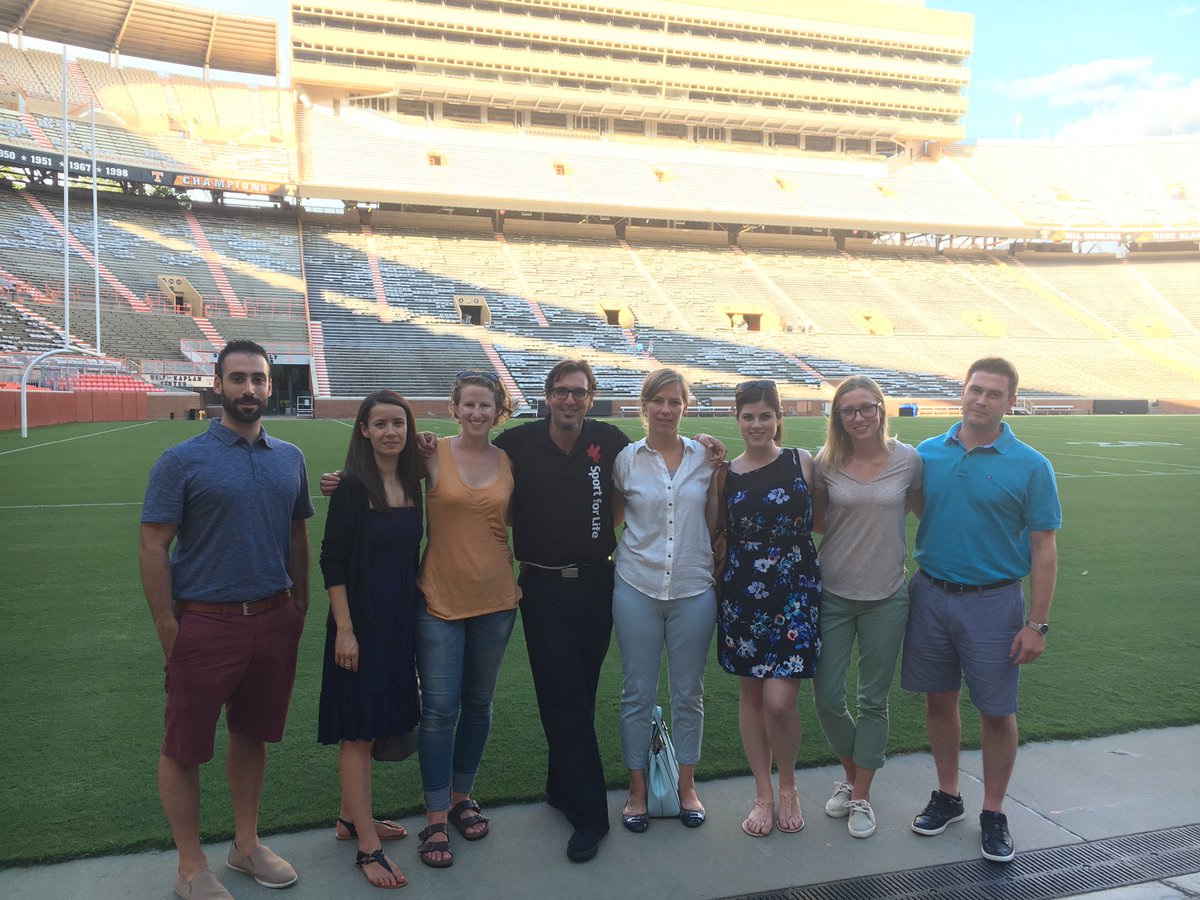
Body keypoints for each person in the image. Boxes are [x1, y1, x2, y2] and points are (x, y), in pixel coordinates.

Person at [140, 340, 312, 900]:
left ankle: (245, 844)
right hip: (205, 623)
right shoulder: (181, 460)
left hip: (273, 617)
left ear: (270, 386)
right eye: (237, 378)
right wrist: (168, 628)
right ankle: (191, 867)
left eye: (258, 379)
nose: (249, 389)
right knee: (184, 746)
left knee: (252, 733)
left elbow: (297, 533)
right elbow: (153, 546)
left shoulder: (290, 456)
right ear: (218, 385)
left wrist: (300, 604)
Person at [901, 357, 1061, 863]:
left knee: (996, 710)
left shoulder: (1031, 465)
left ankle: (994, 810)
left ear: (1010, 402)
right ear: (962, 392)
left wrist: (1037, 624)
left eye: (994, 393)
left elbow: (1044, 546)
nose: (981, 400)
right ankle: (948, 795)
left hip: (994, 601)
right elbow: (922, 510)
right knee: (938, 699)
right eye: (975, 389)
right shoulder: (927, 453)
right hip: (930, 594)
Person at [492, 360, 630, 863]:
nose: (570, 400)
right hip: (543, 587)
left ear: (591, 398)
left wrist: (704, 442)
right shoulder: (516, 443)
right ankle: (591, 815)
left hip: (597, 585)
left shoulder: (610, 440)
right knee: (564, 696)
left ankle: (559, 786)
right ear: (547, 395)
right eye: (561, 391)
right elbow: (467, 460)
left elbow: (641, 479)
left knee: (581, 693)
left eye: (580, 392)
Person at [412, 371, 520, 870]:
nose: (477, 413)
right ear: (454, 408)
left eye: (485, 405)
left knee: (478, 704)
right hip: (438, 599)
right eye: (469, 404)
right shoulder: (430, 453)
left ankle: (461, 797)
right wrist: (340, 482)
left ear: (497, 411)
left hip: (496, 601)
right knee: (438, 710)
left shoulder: (509, 461)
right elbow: (380, 478)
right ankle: (435, 815)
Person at [318, 391, 424, 889]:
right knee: (358, 733)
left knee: (376, 724)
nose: (390, 432)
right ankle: (366, 847)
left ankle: (350, 818)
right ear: (363, 430)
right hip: (361, 625)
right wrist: (345, 630)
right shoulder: (351, 487)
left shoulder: (412, 479)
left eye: (397, 423)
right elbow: (332, 560)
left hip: (400, 624)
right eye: (379, 424)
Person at [810, 375, 922, 840]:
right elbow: (817, 522)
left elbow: (919, 510)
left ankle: (861, 795)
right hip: (832, 593)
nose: (858, 417)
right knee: (827, 697)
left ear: (881, 408)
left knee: (873, 700)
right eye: (848, 411)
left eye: (865, 408)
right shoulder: (825, 463)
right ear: (838, 418)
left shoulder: (908, 460)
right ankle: (854, 778)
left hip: (886, 596)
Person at [613, 368, 718, 833]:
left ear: (685, 407)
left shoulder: (705, 457)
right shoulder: (626, 459)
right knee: (637, 692)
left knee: (688, 693)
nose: (666, 409)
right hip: (636, 585)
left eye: (675, 401)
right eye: (658, 401)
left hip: (694, 588)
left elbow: (716, 518)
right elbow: (613, 518)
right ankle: (637, 790)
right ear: (645, 406)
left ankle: (686, 786)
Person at [716, 379, 821, 838]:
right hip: (743, 591)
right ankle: (763, 793)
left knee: (780, 702)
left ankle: (789, 785)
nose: (756, 424)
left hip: (796, 588)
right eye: (748, 416)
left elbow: (824, 520)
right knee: (753, 696)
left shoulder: (802, 461)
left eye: (765, 416)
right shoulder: (725, 473)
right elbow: (715, 530)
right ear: (737, 419)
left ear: (779, 418)